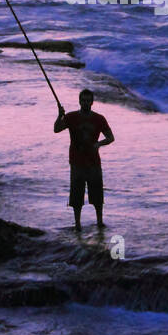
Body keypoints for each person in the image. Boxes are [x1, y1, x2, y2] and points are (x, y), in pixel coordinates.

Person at [53, 89, 115, 231]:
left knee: (98, 197)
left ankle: (99, 222)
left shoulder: (99, 119)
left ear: (92, 102)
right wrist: (59, 116)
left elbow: (111, 138)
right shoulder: (71, 117)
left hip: (94, 163)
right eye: (83, 100)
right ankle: (78, 224)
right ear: (79, 101)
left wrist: (99, 144)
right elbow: (56, 129)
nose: (85, 103)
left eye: (88, 100)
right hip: (76, 162)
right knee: (76, 197)